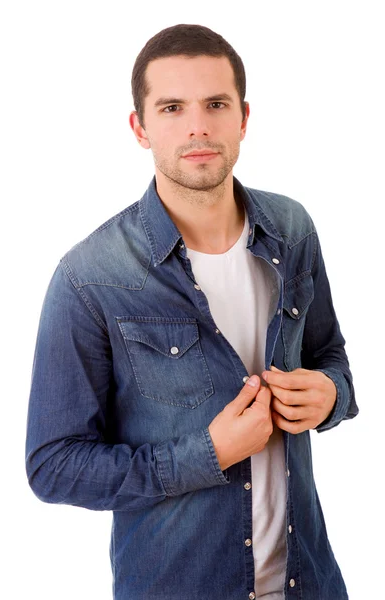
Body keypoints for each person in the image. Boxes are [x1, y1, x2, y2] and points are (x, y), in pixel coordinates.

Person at [25, 23, 358, 600]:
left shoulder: (294, 229)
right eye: (173, 107)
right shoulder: (89, 277)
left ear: (244, 118)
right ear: (140, 127)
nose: (198, 126)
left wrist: (332, 395)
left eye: (216, 104)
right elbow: (53, 465)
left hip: (311, 584)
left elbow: (331, 357)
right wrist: (207, 455)